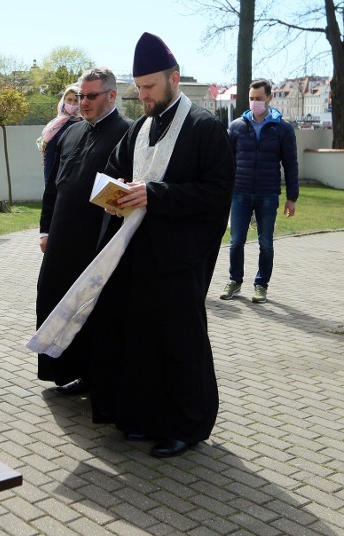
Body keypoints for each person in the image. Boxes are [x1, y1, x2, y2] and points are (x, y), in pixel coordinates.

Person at [90, 32, 235, 458]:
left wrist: (157, 194)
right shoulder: (140, 126)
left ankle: (187, 425)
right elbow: (115, 170)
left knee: (179, 340)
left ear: (174, 78)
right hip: (138, 252)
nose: (144, 94)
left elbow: (217, 191)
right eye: (139, 87)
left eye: (150, 86)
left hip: (178, 256)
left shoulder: (205, 127)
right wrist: (114, 197)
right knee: (139, 337)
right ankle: (143, 418)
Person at [37, 69, 131, 395]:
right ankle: (64, 370)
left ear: (111, 96)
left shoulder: (127, 134)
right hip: (61, 235)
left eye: (92, 96)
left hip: (98, 239)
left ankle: (92, 376)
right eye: (81, 96)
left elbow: (129, 189)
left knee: (90, 310)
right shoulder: (71, 132)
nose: (84, 103)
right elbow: (53, 186)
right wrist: (44, 229)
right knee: (51, 296)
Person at [220, 79, 299, 304]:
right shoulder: (236, 127)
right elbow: (227, 162)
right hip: (240, 193)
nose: (255, 103)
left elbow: (291, 164)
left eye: (259, 99)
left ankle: (261, 285)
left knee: (265, 242)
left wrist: (292, 198)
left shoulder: (282, 129)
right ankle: (234, 280)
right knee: (236, 241)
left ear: (269, 98)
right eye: (251, 99)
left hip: (267, 194)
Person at [37, 85, 82, 184]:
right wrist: (48, 188)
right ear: (63, 101)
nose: (72, 104)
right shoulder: (55, 127)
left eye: (76, 100)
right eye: (69, 100)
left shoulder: (87, 124)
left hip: (83, 178)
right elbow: (49, 161)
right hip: (61, 180)